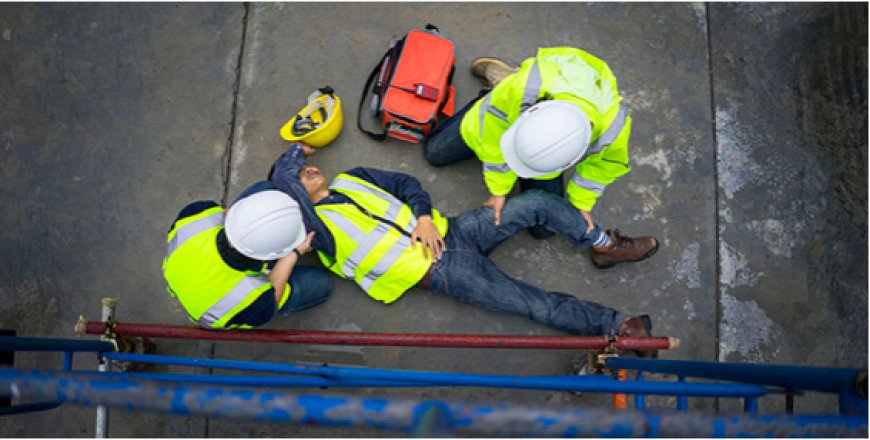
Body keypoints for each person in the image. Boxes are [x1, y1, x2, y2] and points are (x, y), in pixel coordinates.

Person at [266, 143, 657, 357]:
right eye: (302, 175)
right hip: (442, 273)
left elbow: (405, 183)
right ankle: (618, 326)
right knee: (534, 304)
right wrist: (288, 169)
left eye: (306, 168)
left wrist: (422, 217)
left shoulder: (352, 180)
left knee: (537, 201)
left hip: (453, 229)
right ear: (297, 196)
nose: (309, 171)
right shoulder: (313, 230)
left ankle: (604, 245)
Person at [424, 47, 657, 269]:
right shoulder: (524, 89)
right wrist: (499, 190)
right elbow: (492, 139)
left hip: (547, 104)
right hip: (504, 105)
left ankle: (605, 244)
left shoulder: (613, 125)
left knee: (544, 230)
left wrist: (581, 204)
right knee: (435, 152)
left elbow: (603, 166)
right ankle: (501, 82)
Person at [162, 176, 334, 329]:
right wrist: (294, 254)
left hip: (185, 273)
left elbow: (227, 213)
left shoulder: (194, 214)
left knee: (265, 188)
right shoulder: (251, 301)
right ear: (274, 254)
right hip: (216, 310)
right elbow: (273, 295)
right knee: (321, 284)